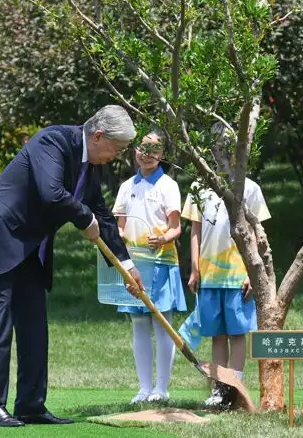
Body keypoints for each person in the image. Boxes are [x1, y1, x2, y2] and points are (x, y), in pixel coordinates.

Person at [0, 105, 144, 427]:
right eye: (117, 148)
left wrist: (125, 264)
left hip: (28, 250)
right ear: (98, 136)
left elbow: (102, 214)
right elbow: (51, 192)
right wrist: (84, 219)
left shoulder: (90, 168)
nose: (118, 155)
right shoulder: (53, 141)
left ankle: (31, 405)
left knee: (34, 328)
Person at [181, 122, 271, 407]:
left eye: (230, 148)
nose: (224, 154)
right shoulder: (199, 187)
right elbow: (195, 231)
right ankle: (219, 390)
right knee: (216, 335)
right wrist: (194, 268)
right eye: (219, 148)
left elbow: (257, 234)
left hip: (237, 276)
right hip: (209, 277)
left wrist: (250, 272)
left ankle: (236, 386)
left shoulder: (250, 188)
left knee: (236, 333)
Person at [112, 129, 187, 404]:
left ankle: (162, 389)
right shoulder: (126, 187)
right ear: (135, 151)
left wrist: (163, 237)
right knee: (138, 323)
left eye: (154, 149)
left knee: (162, 323)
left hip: (161, 263)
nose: (147, 155)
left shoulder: (168, 185)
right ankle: (144, 388)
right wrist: (118, 240)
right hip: (134, 264)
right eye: (143, 148)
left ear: (162, 154)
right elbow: (119, 227)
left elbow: (176, 228)